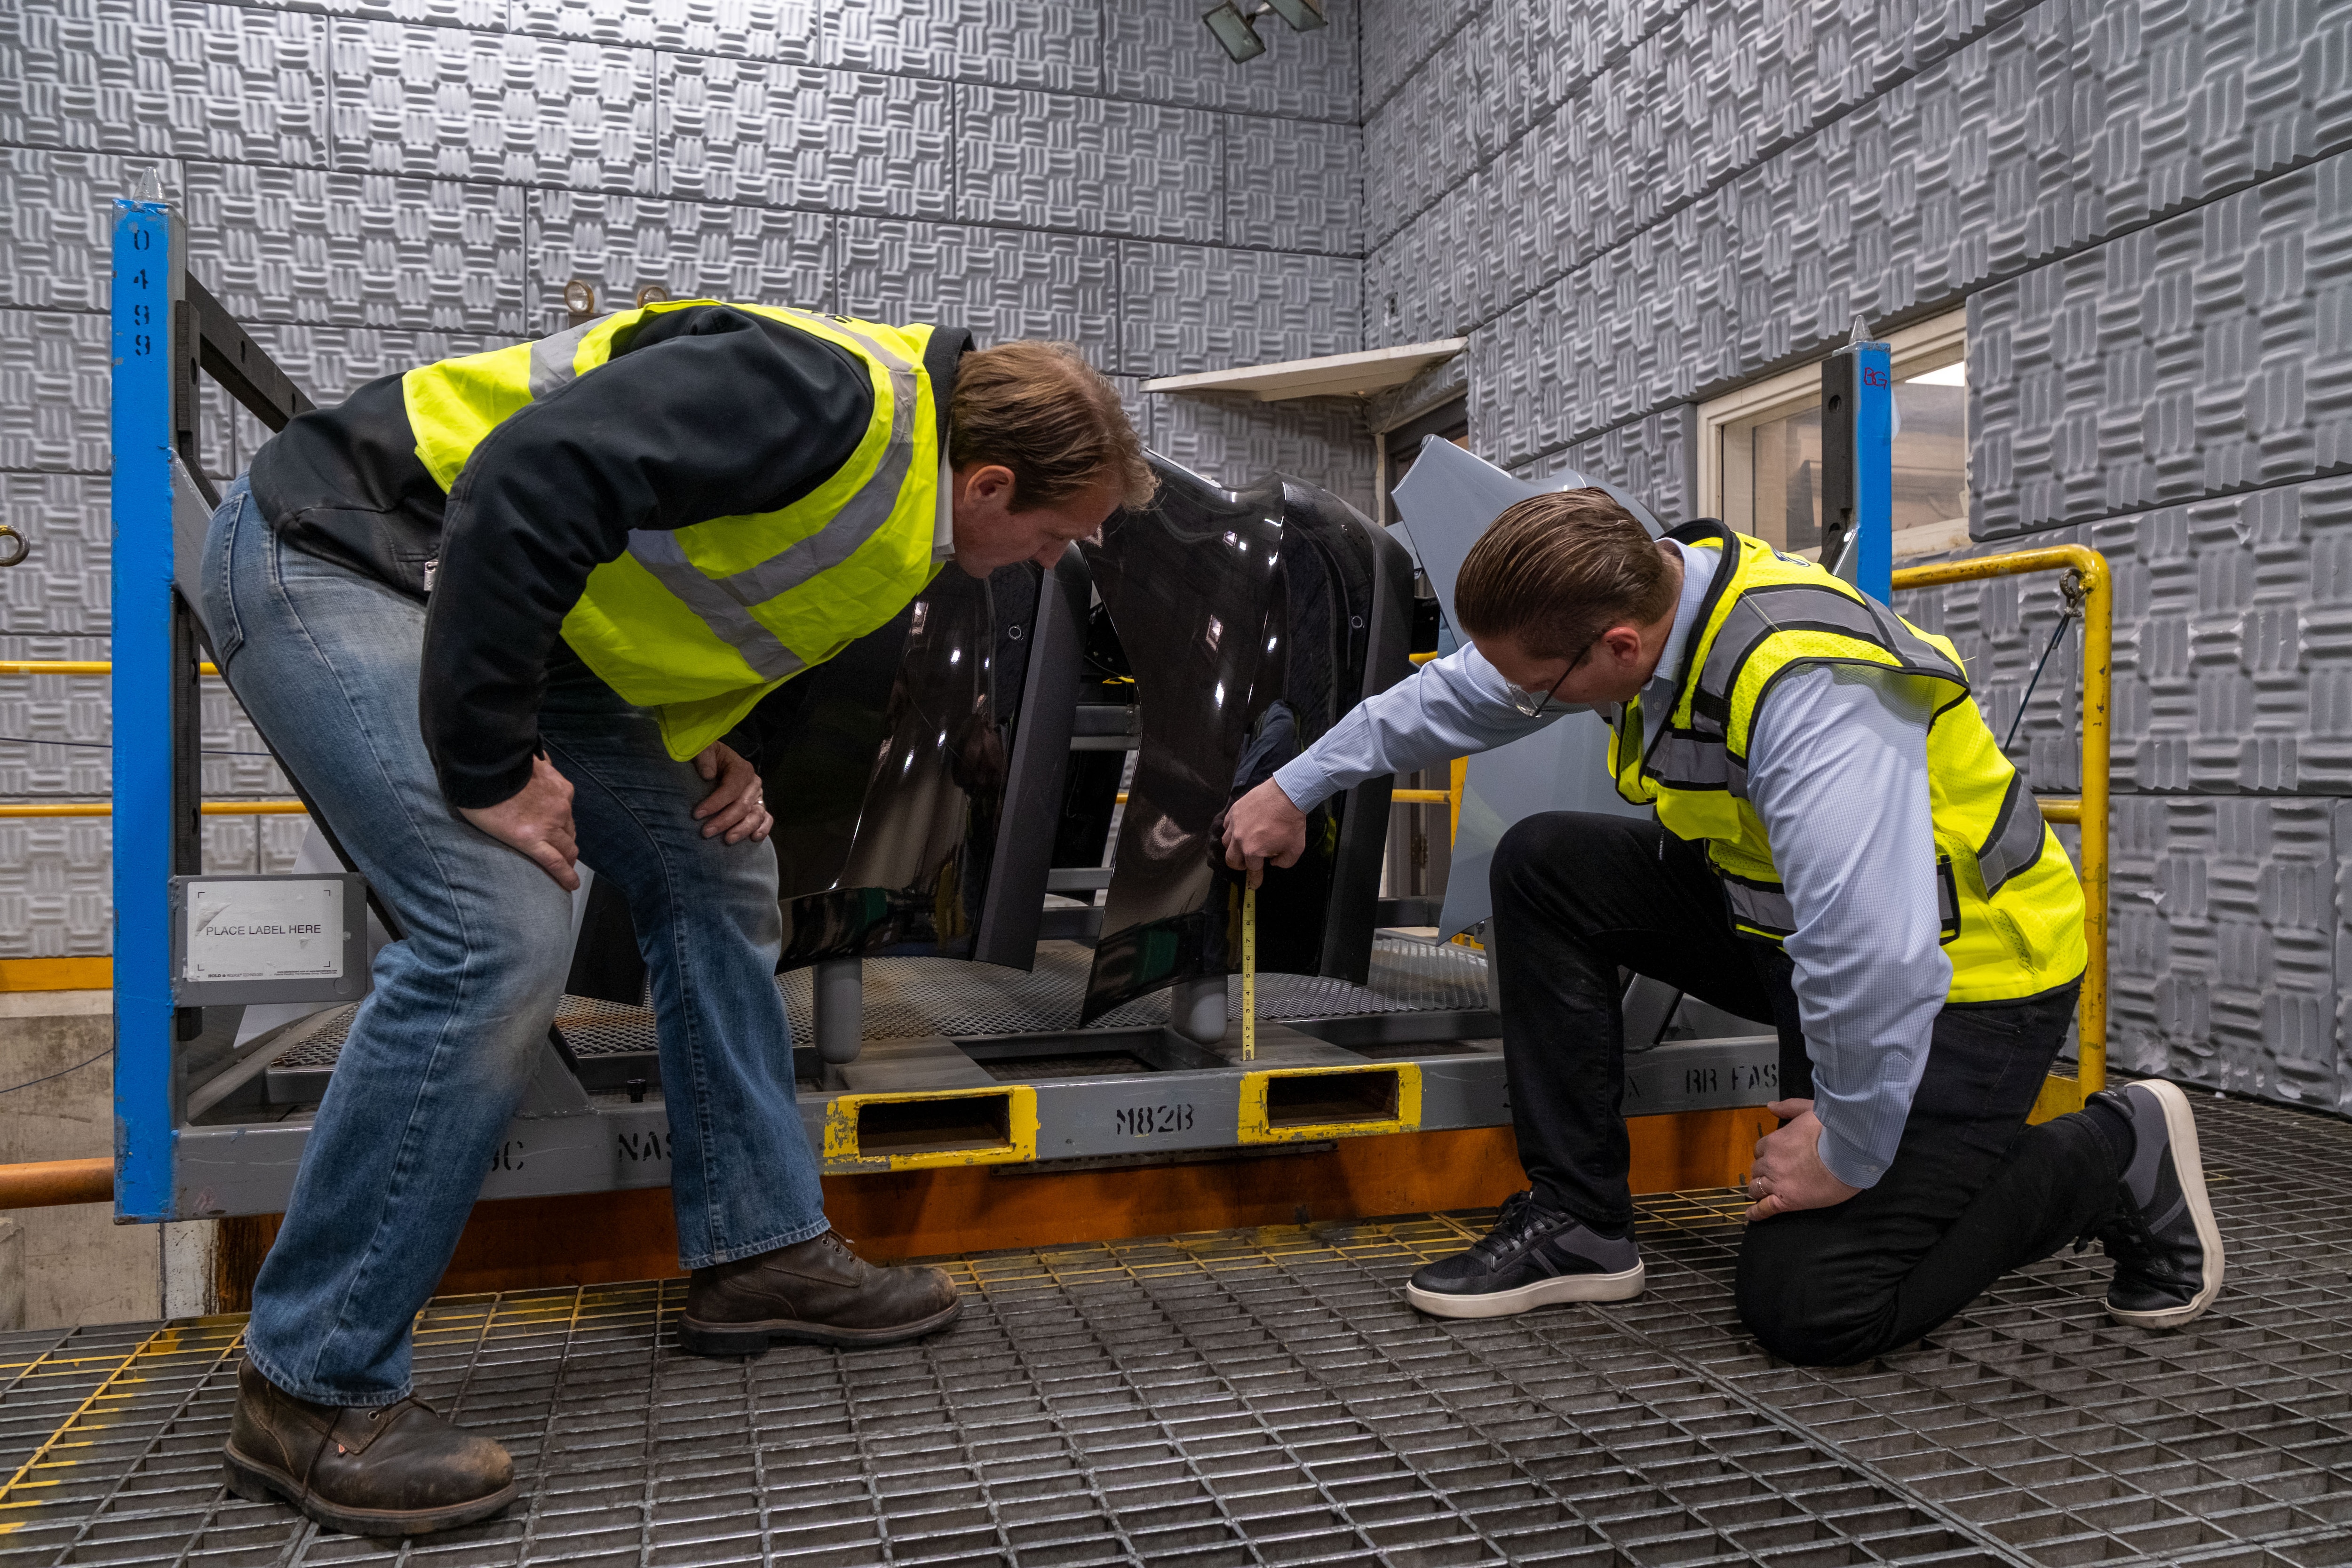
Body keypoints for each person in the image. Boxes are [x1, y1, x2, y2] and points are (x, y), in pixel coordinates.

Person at [203, 303, 1154, 1536]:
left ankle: (760, 1249)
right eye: (1051, 535)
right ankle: (308, 1384)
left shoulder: (911, 516)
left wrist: (719, 744)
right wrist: (491, 763)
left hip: (529, 624)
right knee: (496, 929)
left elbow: (699, 584)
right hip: (351, 549)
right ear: (989, 482)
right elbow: (524, 480)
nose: (1046, 562)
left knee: (717, 869)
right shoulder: (823, 397)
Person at [1223, 490, 2223, 1365]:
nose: (1523, 702)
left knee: (1814, 1305)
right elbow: (1456, 698)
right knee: (1547, 863)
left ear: (1617, 645)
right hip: (1792, 938)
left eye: (1539, 685)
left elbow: (1875, 949)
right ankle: (1581, 1221)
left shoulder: (1806, 686)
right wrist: (1293, 785)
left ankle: (2115, 1149)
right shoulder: (1647, 607)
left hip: (1967, 979)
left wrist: (1848, 1145)